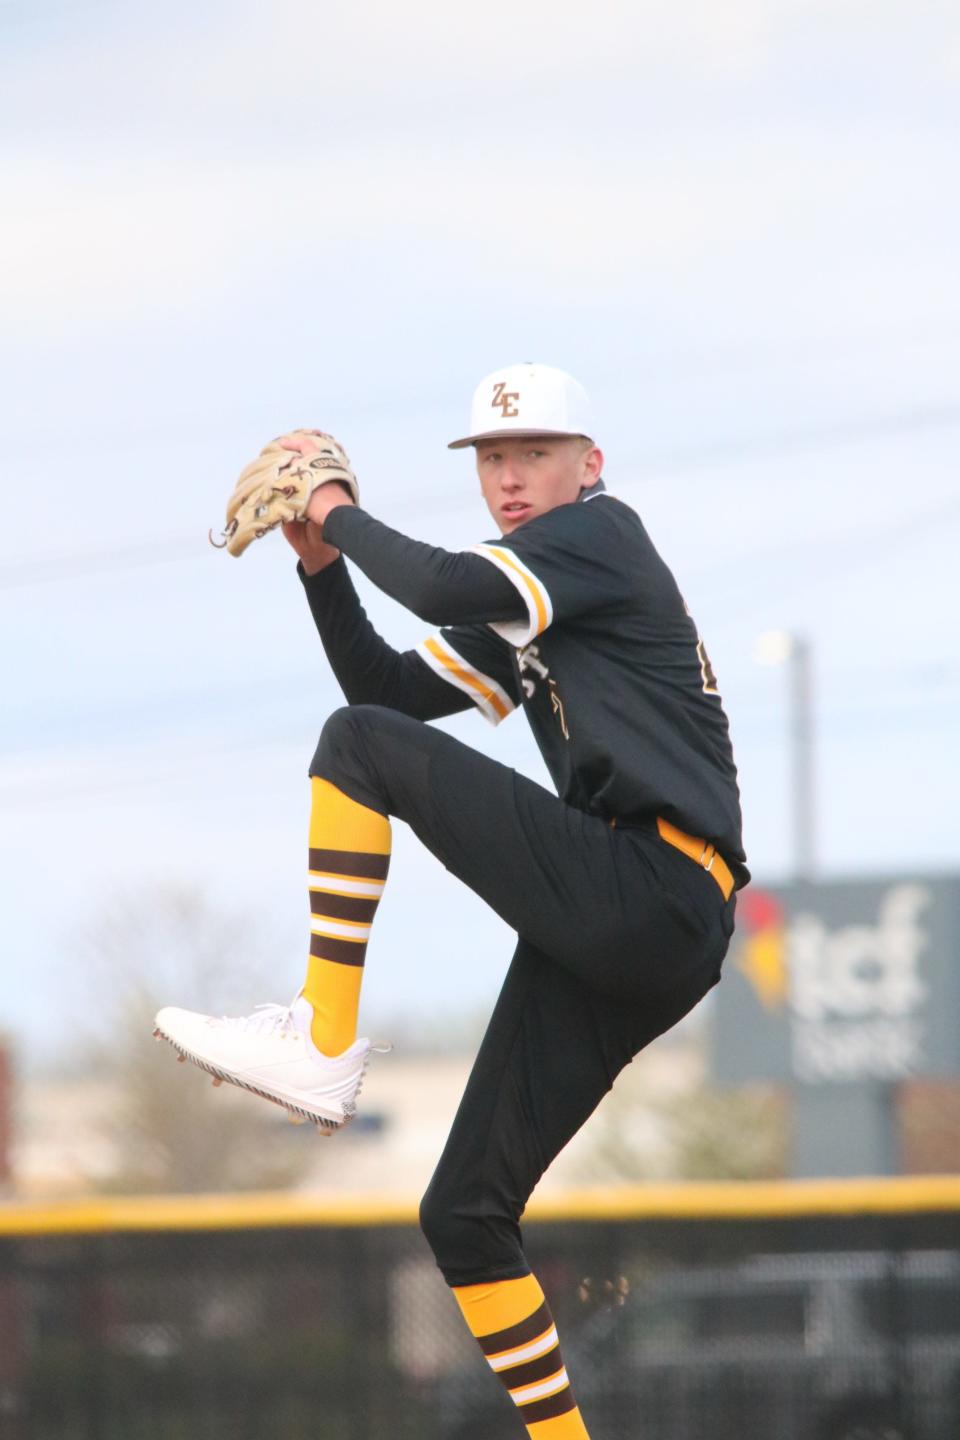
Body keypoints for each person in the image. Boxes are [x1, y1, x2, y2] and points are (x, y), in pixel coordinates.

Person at [155, 361, 749, 1439]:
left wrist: (336, 503)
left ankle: (322, 1036)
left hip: (651, 883)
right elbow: (389, 693)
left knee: (354, 754)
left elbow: (440, 589)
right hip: (635, 919)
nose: (510, 478)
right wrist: (322, 566)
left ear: (590, 465)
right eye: (492, 459)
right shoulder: (540, 599)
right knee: (465, 1218)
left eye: (532, 454)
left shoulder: (600, 541)